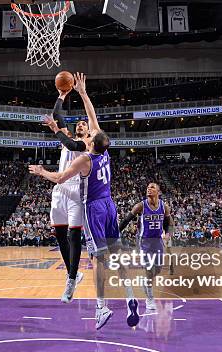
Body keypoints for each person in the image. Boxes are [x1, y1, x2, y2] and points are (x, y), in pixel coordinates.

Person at [30, 72, 136, 330]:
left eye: (87, 132)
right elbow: (91, 118)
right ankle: (131, 295)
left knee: (98, 258)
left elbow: (60, 177)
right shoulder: (104, 150)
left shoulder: (84, 158)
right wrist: (83, 93)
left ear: (90, 140)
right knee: (117, 251)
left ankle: (101, 307)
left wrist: (43, 172)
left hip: (93, 207)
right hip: (110, 204)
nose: (86, 129)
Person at [47, 86, 90, 302]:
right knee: (60, 237)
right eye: (79, 123)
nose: (81, 124)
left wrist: (56, 130)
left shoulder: (86, 144)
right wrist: (62, 96)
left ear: (89, 132)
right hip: (59, 190)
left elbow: (70, 143)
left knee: (74, 237)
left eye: (85, 124)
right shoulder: (68, 138)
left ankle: (71, 281)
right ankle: (73, 273)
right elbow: (57, 114)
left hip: (76, 191)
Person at [119, 183, 174, 312]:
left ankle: (146, 282)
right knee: (149, 269)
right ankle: (150, 298)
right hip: (145, 242)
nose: (149, 188)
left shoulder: (164, 207)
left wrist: (168, 234)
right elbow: (126, 220)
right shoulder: (140, 206)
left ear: (158, 192)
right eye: (148, 187)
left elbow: (169, 224)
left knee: (158, 269)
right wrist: (115, 233)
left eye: (152, 187)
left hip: (158, 241)